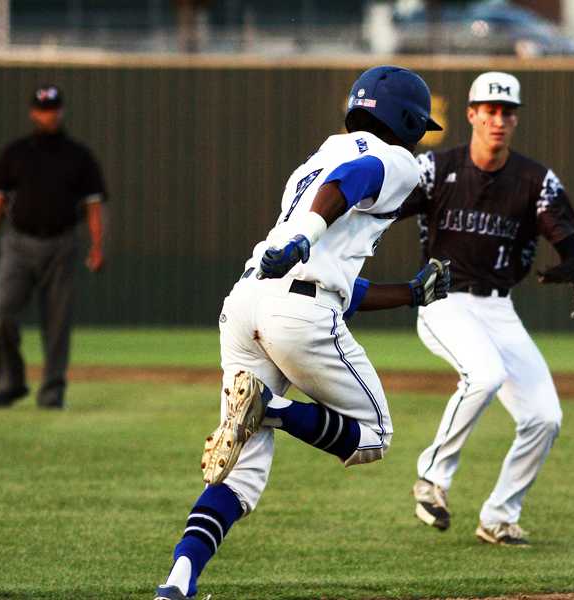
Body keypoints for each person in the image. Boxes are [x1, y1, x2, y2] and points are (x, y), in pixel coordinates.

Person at [153, 65, 449, 600]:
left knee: (237, 474)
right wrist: (306, 241)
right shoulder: (397, 161)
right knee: (374, 436)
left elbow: (344, 284)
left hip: (247, 304)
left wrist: (410, 293)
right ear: (407, 120)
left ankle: (178, 582)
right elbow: (352, 185)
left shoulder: (316, 159)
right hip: (298, 307)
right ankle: (269, 408)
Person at [399, 72, 574, 546]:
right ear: (471, 115)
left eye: (506, 111)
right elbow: (382, 210)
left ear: (515, 119)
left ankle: (498, 516)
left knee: (544, 417)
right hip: (442, 299)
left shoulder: (535, 179)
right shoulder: (434, 169)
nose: (497, 119)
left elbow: (566, 240)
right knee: (485, 375)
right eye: (488, 110)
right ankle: (431, 478)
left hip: (498, 308)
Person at [0, 84, 107, 410]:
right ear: (34, 112)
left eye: (54, 109)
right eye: (43, 109)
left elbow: (95, 205)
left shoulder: (79, 155)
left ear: (61, 111)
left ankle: (52, 391)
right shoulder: (15, 153)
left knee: (57, 322)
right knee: (3, 311)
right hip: (18, 243)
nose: (49, 115)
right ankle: (10, 382)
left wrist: (98, 245)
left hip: (62, 243)